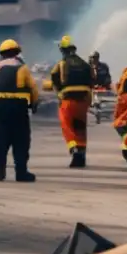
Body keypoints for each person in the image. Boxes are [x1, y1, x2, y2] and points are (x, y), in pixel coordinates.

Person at [0, 39, 39, 182]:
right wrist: (34, 104)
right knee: (21, 140)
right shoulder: (23, 68)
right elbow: (33, 87)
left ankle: (0, 171)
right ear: (17, 53)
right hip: (18, 108)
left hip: (1, 108)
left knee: (1, 139)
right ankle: (21, 172)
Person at [50, 35, 93, 168]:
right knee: (80, 127)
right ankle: (81, 155)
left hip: (68, 99)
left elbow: (53, 76)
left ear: (63, 50)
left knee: (67, 124)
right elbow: (93, 78)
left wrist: (58, 93)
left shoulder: (61, 64)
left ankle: (73, 147)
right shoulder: (85, 64)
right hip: (84, 99)